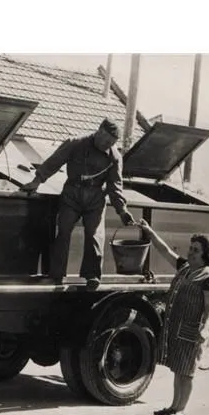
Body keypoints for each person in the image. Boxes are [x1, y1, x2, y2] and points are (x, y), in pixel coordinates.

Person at [19, 119, 135, 289]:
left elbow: (115, 187)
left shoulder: (115, 158)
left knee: (95, 236)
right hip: (72, 195)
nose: (108, 145)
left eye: (112, 143)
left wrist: (122, 211)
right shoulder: (75, 143)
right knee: (63, 233)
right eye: (106, 141)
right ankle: (56, 275)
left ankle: (92, 276)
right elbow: (53, 163)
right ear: (99, 131)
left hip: (95, 199)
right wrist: (36, 182)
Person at [136, 219, 209, 415]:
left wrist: (205, 329)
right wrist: (149, 231)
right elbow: (165, 251)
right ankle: (173, 406)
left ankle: (181, 408)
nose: (191, 252)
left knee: (187, 372)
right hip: (177, 328)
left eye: (196, 250)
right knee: (178, 369)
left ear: (205, 255)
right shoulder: (185, 268)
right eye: (190, 248)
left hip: (193, 331)